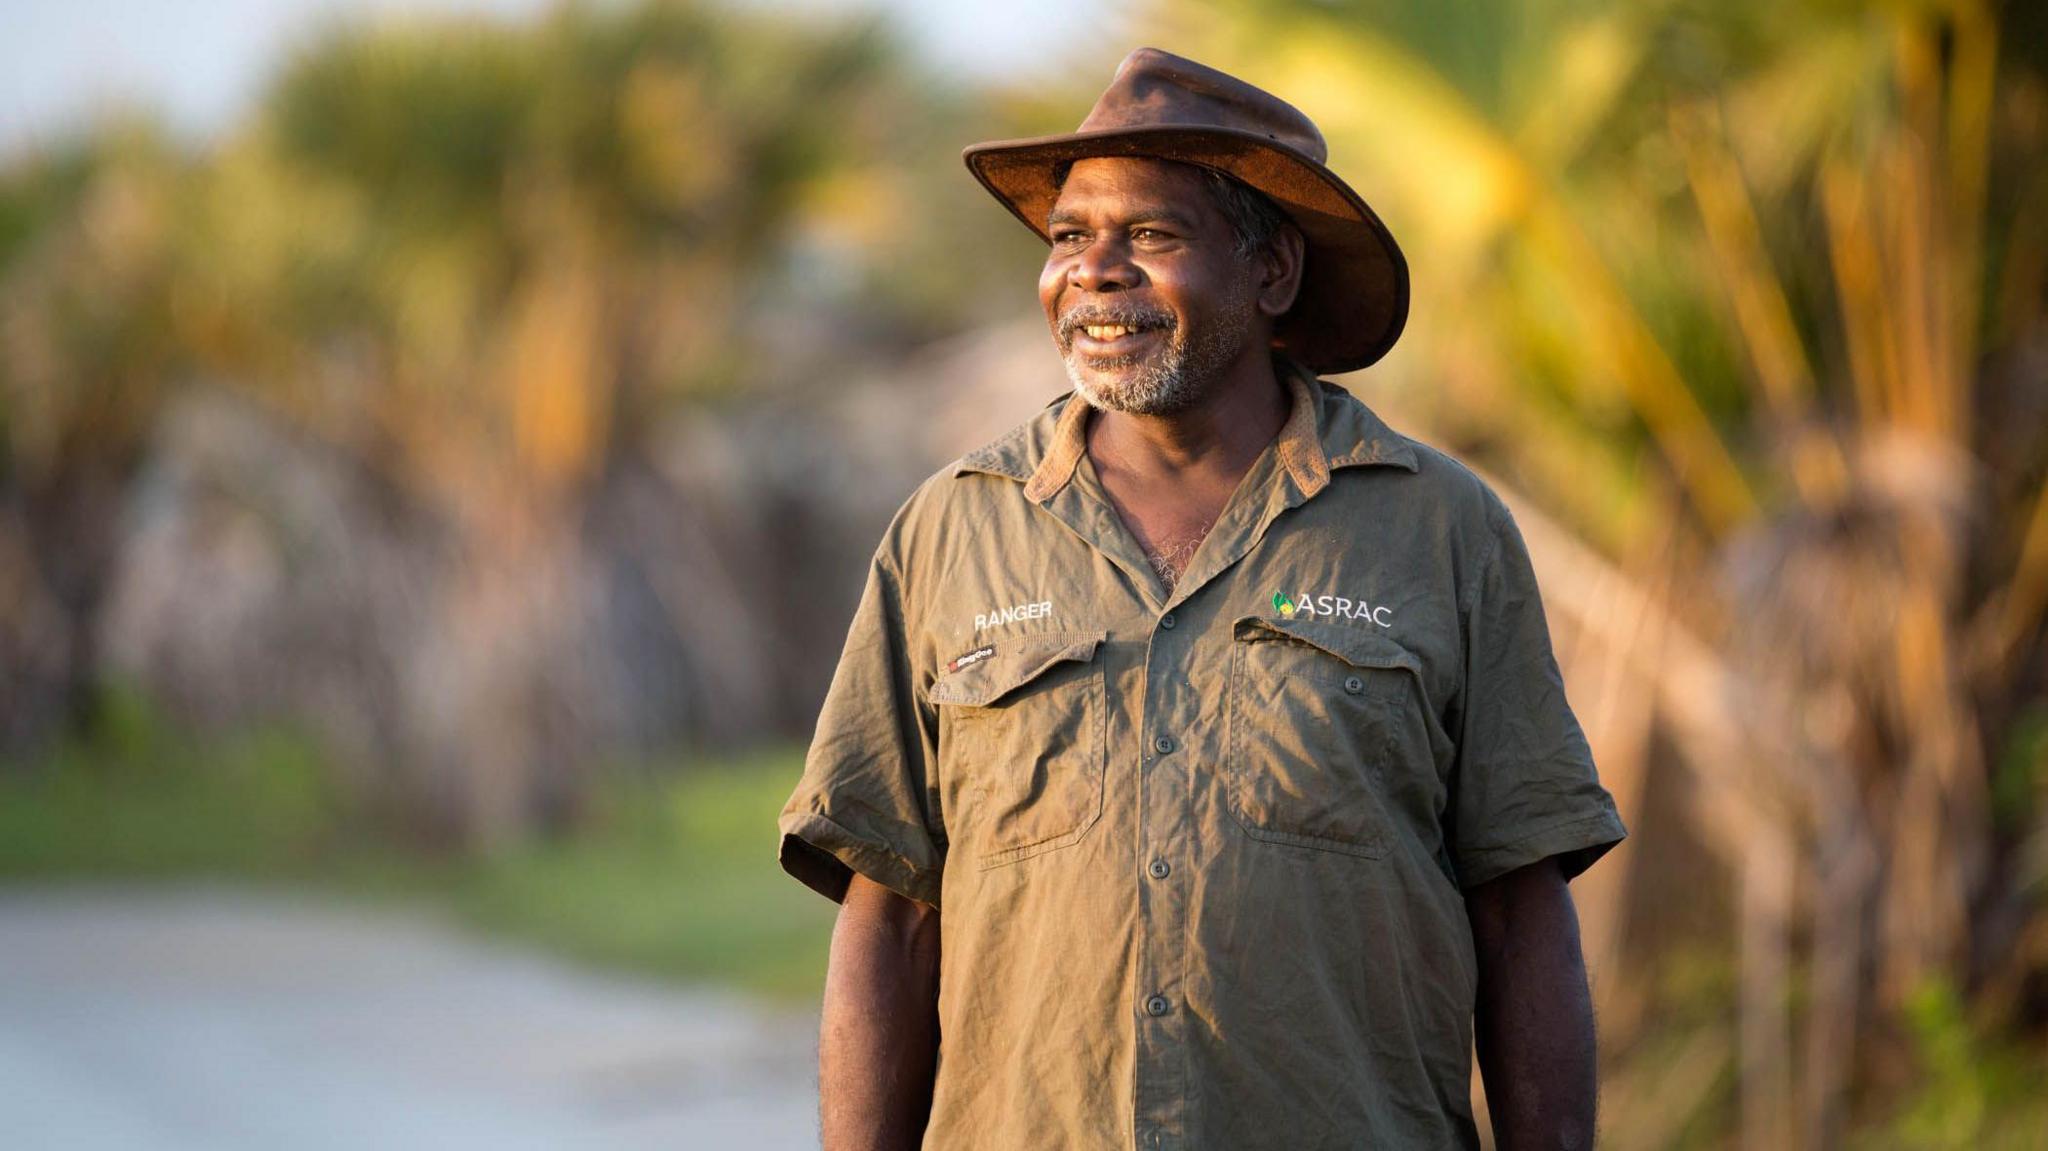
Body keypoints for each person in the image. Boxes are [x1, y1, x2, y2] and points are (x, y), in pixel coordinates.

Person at [776, 46, 1628, 1151]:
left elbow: (1519, 913)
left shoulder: (1439, 529)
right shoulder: (952, 529)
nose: (1092, 271)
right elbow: (886, 918)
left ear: (1269, 272)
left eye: (1151, 236)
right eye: (1069, 237)